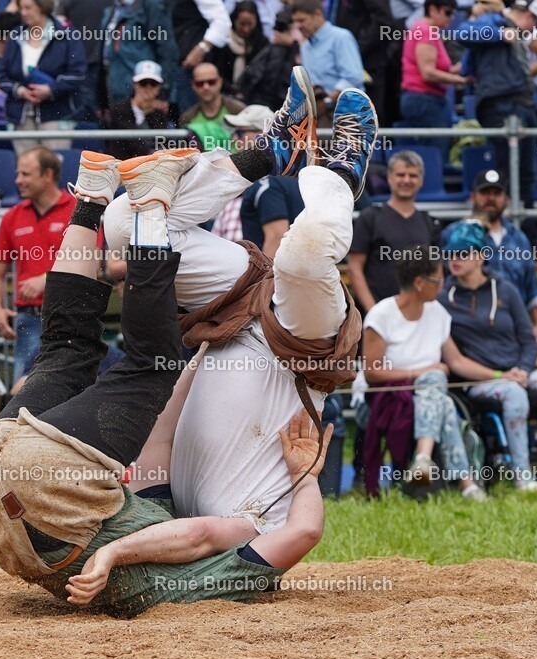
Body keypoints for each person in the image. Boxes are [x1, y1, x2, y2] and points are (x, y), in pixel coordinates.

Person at [0, 149, 329, 617]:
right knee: (66, 349)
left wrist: (304, 478)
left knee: (144, 364)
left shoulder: (229, 572)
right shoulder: (152, 519)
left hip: (46, 490)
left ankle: (146, 204)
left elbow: (251, 533)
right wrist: (206, 353)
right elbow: (161, 439)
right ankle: (92, 194)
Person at [101, 68, 369, 535]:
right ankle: (345, 172)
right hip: (300, 348)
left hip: (231, 315)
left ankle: (268, 152)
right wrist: (115, 556)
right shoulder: (250, 534)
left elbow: (161, 427)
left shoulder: (150, 509)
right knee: (301, 253)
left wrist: (199, 350)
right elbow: (300, 533)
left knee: (125, 223)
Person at [440, 221, 537, 490]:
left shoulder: (506, 290)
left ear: (481, 255)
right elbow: (455, 361)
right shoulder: (443, 300)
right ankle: (522, 474)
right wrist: (503, 376)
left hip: (520, 372)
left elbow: (529, 339)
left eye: (463, 253)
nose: (455, 259)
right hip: (480, 382)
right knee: (513, 393)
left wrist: (521, 369)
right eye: (450, 253)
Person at [360, 249, 487, 500]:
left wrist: (499, 375)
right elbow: (371, 371)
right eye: (438, 281)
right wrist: (421, 372)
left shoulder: (437, 312)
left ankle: (425, 460)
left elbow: (457, 361)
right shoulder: (382, 314)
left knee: (442, 397)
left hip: (428, 396)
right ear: (419, 283)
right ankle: (464, 483)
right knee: (436, 381)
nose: (442, 287)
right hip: (388, 395)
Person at [0, 146, 75, 382]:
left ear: (48, 175)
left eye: (26, 174)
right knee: (22, 392)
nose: (18, 181)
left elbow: (92, 263)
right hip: (29, 318)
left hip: (70, 316)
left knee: (69, 390)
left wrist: (46, 280)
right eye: (18, 174)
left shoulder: (77, 211)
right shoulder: (11, 217)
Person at [441, 169, 537, 345]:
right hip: (466, 333)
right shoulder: (454, 235)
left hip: (512, 333)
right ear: (473, 197)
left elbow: (533, 291)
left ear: (506, 199)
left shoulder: (519, 238)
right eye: (484, 193)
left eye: (496, 193)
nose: (490, 198)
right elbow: (441, 283)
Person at [452, 0, 537, 210]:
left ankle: (523, 227)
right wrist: (499, 35)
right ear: (530, 17)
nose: (533, 32)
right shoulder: (497, 22)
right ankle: (512, 226)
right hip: (503, 104)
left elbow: (466, 68)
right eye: (535, 26)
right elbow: (462, 33)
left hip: (519, 104)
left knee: (525, 171)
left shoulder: (505, 29)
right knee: (512, 169)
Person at [348, 150, 442, 314]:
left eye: (413, 175)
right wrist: (373, 311)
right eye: (401, 175)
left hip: (417, 316)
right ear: (389, 177)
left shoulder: (429, 223)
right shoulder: (370, 218)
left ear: (421, 181)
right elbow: (354, 267)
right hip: (378, 316)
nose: (406, 180)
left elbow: (436, 273)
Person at [0, 0, 86, 156]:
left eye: (28, 8)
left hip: (57, 114)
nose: (23, 13)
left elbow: (78, 73)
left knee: (56, 169)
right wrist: (20, 91)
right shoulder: (16, 35)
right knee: (27, 170)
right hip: (21, 117)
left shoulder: (67, 35)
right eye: (21, 8)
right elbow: (2, 75)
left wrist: (51, 90)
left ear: (43, 7)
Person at [400, 0, 465, 157]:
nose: (451, 18)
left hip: (426, 99)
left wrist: (461, 70)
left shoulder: (428, 31)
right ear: (432, 10)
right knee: (434, 155)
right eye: (447, 12)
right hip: (424, 100)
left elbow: (440, 68)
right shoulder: (425, 31)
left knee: (434, 153)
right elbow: (428, 72)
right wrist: (460, 81)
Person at [210, 104, 275, 242]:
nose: (234, 139)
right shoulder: (231, 177)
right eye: (234, 132)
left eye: (240, 133)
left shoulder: (276, 184)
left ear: (263, 135)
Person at [100, 0, 178, 109]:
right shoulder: (113, 10)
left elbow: (167, 50)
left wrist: (163, 93)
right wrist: (102, 100)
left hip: (144, 89)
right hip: (115, 90)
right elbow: (105, 56)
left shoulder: (150, 6)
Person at [292, 0, 365, 97]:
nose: (298, 26)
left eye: (302, 20)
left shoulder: (341, 37)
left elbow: (354, 77)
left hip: (349, 107)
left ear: (318, 14)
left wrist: (328, 101)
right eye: (295, 21)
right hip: (319, 109)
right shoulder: (305, 46)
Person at [170, 0, 231, 114]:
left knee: (195, 123)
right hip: (171, 69)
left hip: (192, 70)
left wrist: (202, 48)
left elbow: (222, 22)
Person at [105, 60, 171, 161]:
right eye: (143, 83)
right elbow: (132, 142)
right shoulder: (119, 110)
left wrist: (149, 113)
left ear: (158, 88)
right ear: (135, 85)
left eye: (153, 84)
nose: (148, 88)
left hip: (153, 166)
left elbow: (163, 143)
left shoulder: (159, 114)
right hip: (123, 166)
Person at [236, 8, 298, 111]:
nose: (278, 32)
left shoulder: (302, 49)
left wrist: (294, 44)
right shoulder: (272, 50)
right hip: (262, 102)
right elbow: (252, 75)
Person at [179, 62, 246, 151]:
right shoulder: (187, 118)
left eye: (211, 82)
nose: (206, 87)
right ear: (193, 86)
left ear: (220, 82)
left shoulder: (238, 110)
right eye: (200, 83)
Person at [210, 1, 268, 93]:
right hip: (224, 94)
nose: (246, 29)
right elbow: (217, 73)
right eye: (242, 24)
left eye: (249, 24)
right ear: (234, 21)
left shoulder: (262, 44)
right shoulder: (223, 42)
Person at [239, 174, 303, 256]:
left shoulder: (265, 184)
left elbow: (276, 237)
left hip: (284, 263)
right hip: (310, 261)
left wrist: (267, 268)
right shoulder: (301, 185)